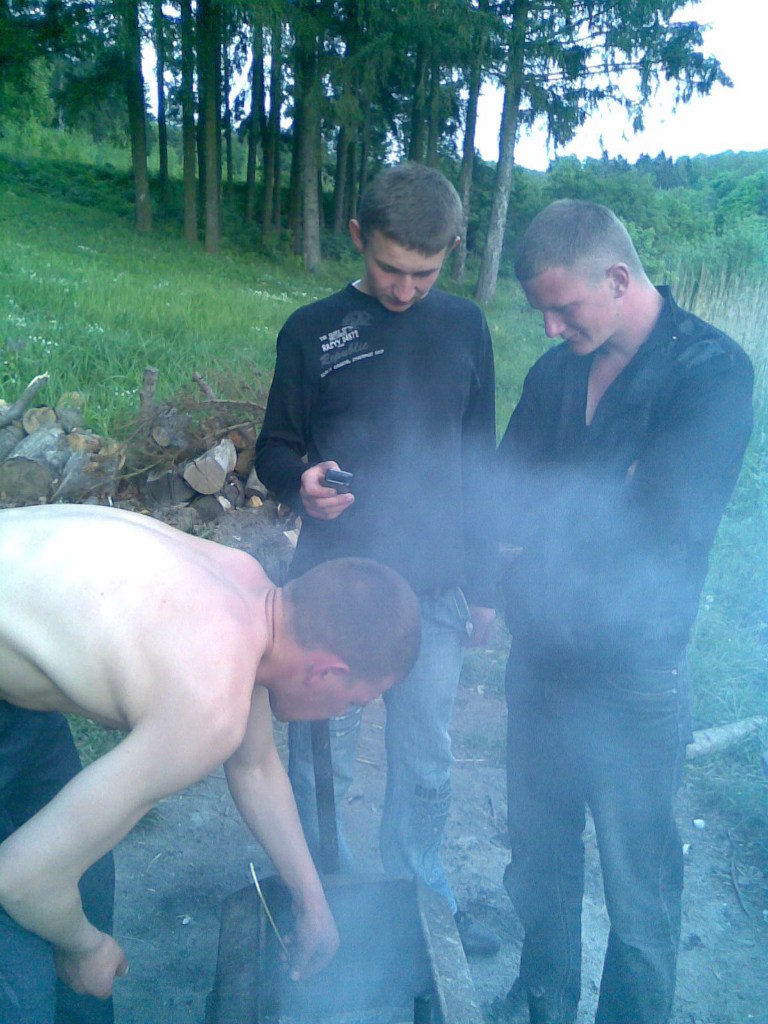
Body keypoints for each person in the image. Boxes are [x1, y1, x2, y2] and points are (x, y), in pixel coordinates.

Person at [0, 502, 420, 1023]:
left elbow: (255, 766)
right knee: (19, 981)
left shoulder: (249, 589)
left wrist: (313, 903)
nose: (343, 714)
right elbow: (20, 878)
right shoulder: (207, 706)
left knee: (83, 878)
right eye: (354, 702)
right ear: (324, 673)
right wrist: (85, 948)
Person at [496, 199, 754, 1024]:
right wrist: (609, 487)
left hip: (635, 673)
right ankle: (543, 1001)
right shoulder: (555, 373)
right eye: (540, 311)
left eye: (562, 307)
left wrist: (556, 511)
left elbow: (668, 524)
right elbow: (507, 494)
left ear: (616, 278)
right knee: (538, 860)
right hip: (539, 658)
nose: (549, 328)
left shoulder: (712, 372)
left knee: (638, 887)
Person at [254, 162, 500, 955]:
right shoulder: (313, 330)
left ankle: (420, 889)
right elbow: (274, 448)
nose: (404, 289)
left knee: (426, 760)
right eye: (391, 268)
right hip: (334, 591)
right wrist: (300, 483)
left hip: (434, 589)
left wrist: (485, 587)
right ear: (359, 236)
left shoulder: (465, 326)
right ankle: (325, 890)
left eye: (424, 274)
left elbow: (480, 464)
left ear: (451, 251)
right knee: (322, 762)